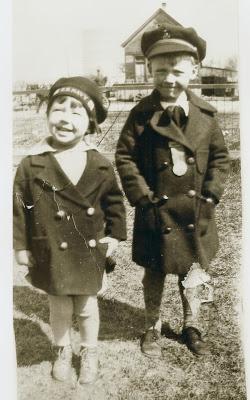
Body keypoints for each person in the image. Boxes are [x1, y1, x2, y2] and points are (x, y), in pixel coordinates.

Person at [115, 25, 230, 357]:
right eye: (160, 70)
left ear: (194, 70)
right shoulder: (140, 115)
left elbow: (220, 158)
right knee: (154, 272)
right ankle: (152, 326)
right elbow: (124, 156)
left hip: (195, 212)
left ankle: (191, 326)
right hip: (156, 210)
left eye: (177, 71)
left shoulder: (206, 116)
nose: (168, 78)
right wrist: (141, 196)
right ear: (149, 69)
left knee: (193, 272)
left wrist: (210, 194)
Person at [13, 76, 126, 384]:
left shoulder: (100, 164)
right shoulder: (31, 164)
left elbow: (115, 204)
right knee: (59, 307)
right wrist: (21, 247)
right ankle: (62, 349)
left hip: (87, 251)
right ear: (47, 114)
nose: (64, 117)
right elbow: (19, 208)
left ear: (90, 124)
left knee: (88, 308)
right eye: (58, 108)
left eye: (76, 111)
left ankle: (89, 351)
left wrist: (114, 236)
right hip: (49, 248)